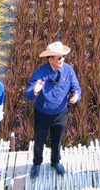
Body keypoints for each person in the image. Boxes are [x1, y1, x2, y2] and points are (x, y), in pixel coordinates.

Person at [25, 40, 81, 178]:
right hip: (42, 114)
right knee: (39, 140)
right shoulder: (40, 72)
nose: (63, 59)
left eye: (63, 56)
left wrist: (76, 96)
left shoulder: (68, 70)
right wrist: (35, 91)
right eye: (60, 57)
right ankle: (37, 164)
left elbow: (76, 87)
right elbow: (28, 93)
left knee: (57, 140)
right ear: (50, 59)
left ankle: (55, 162)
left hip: (60, 113)